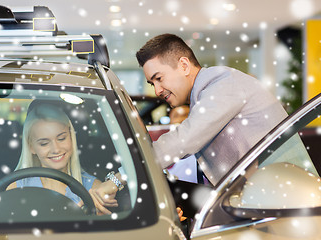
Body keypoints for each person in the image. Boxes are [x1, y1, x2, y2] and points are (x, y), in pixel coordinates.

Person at [136, 33, 317, 186]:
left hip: (288, 197)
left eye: (159, 78)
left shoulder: (223, 83)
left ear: (184, 65)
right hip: (268, 196)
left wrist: (122, 177)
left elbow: (184, 139)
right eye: (152, 84)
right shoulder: (204, 96)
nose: (157, 90)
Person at [7, 103, 119, 215]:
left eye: (61, 138)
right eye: (44, 143)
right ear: (31, 147)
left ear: (71, 137)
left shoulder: (93, 189)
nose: (56, 149)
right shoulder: (16, 188)